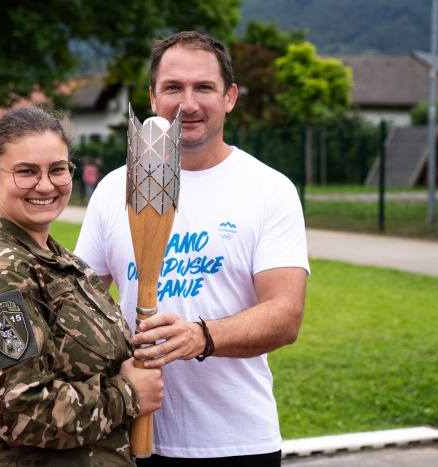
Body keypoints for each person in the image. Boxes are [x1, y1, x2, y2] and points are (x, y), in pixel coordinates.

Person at [74, 31, 310, 466]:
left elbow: (285, 315)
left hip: (237, 443)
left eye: (204, 87)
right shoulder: (113, 189)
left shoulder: (269, 190)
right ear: (152, 97)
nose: (188, 103)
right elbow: (79, 304)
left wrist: (201, 336)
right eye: (173, 87)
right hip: (129, 437)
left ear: (230, 97)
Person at [0, 106, 164, 466]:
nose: (45, 185)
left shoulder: (57, 259)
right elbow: (20, 411)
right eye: (26, 172)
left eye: (57, 169)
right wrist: (128, 394)